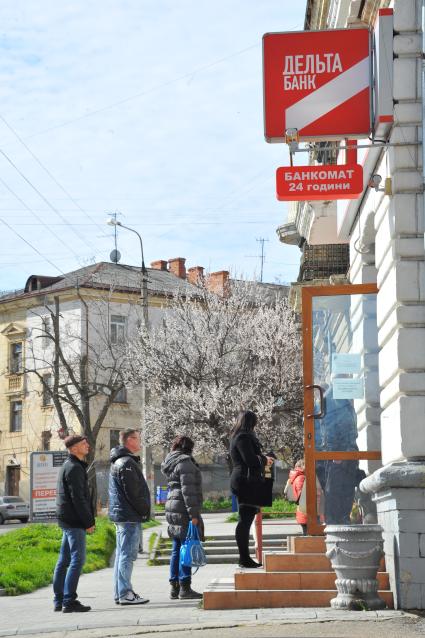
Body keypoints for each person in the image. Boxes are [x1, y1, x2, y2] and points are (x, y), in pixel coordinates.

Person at [53, 434, 95, 613]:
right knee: (77, 560)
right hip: (74, 520)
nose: (87, 446)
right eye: (83, 444)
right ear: (74, 448)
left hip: (66, 519)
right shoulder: (75, 468)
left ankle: (59, 599)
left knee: (64, 560)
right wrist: (88, 522)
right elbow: (78, 498)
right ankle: (69, 601)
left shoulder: (69, 465)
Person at [109, 428, 151, 605]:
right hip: (129, 516)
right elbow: (133, 493)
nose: (140, 442)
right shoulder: (126, 463)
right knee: (127, 555)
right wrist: (144, 510)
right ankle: (125, 593)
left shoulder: (120, 461)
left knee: (121, 555)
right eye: (137, 439)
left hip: (123, 515)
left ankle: (120, 592)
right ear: (128, 440)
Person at [229, 410, 274, 568]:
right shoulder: (242, 437)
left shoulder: (240, 436)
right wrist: (264, 459)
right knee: (245, 521)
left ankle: (245, 558)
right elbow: (249, 459)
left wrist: (263, 457)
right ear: (250, 422)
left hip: (246, 481)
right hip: (245, 482)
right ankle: (244, 558)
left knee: (246, 520)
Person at [161, 435, 203, 600]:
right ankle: (185, 586)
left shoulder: (170, 461)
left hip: (172, 504)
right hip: (183, 507)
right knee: (186, 546)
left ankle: (174, 587)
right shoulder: (185, 462)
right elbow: (188, 490)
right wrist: (193, 514)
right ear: (188, 447)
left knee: (176, 548)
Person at [288, 459, 307, 535]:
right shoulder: (301, 477)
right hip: (305, 511)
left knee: (307, 535)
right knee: (308, 536)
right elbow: (303, 495)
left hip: (303, 511)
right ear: (301, 466)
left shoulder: (298, 476)